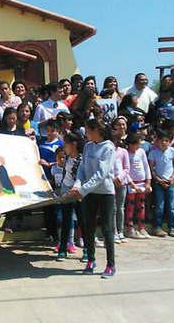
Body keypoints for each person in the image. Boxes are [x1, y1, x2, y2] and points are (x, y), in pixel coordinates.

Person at [70, 119, 116, 279]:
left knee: (107, 229)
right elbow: (82, 169)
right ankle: (91, 259)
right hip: (88, 193)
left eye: (88, 131)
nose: (86, 134)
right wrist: (77, 185)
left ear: (96, 130)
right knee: (88, 227)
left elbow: (101, 175)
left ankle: (111, 265)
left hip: (105, 194)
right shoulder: (89, 146)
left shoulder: (109, 148)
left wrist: (82, 190)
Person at [55, 133, 84, 261]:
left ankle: (87, 250)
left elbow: (81, 177)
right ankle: (63, 249)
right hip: (66, 190)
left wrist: (77, 189)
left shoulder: (82, 159)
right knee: (66, 221)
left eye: (66, 143)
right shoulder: (67, 157)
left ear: (74, 144)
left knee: (82, 221)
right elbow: (63, 168)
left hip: (78, 191)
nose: (64, 146)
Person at [148, 130, 174, 237]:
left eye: (166, 141)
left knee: (171, 206)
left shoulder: (172, 151)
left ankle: (172, 227)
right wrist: (158, 180)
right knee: (159, 206)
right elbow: (151, 169)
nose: (164, 143)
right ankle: (157, 227)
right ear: (157, 141)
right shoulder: (153, 153)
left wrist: (172, 178)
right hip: (158, 182)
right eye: (162, 141)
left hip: (170, 182)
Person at [38, 120, 63, 242]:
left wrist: (49, 164)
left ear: (57, 131)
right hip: (43, 179)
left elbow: (63, 161)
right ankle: (49, 233)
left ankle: (58, 236)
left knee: (57, 209)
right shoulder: (41, 143)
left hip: (56, 181)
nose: (50, 133)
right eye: (47, 130)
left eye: (52, 130)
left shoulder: (60, 144)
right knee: (47, 209)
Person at [125, 133, 151, 239]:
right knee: (130, 206)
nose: (138, 147)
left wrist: (148, 182)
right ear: (130, 144)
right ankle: (130, 227)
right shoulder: (126, 153)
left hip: (141, 182)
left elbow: (146, 166)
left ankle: (142, 227)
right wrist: (132, 183)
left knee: (141, 206)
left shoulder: (141, 152)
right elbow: (125, 170)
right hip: (131, 183)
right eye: (136, 144)